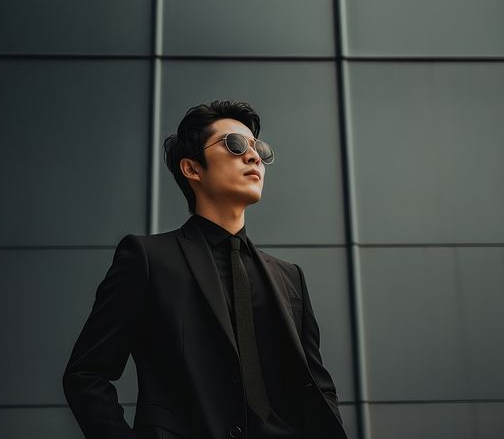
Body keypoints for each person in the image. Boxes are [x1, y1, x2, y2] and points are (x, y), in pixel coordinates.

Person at [63, 101, 347, 439]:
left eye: (259, 149)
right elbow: (86, 374)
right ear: (192, 168)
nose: (254, 157)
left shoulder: (290, 278)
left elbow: (317, 386)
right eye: (235, 144)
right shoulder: (148, 259)